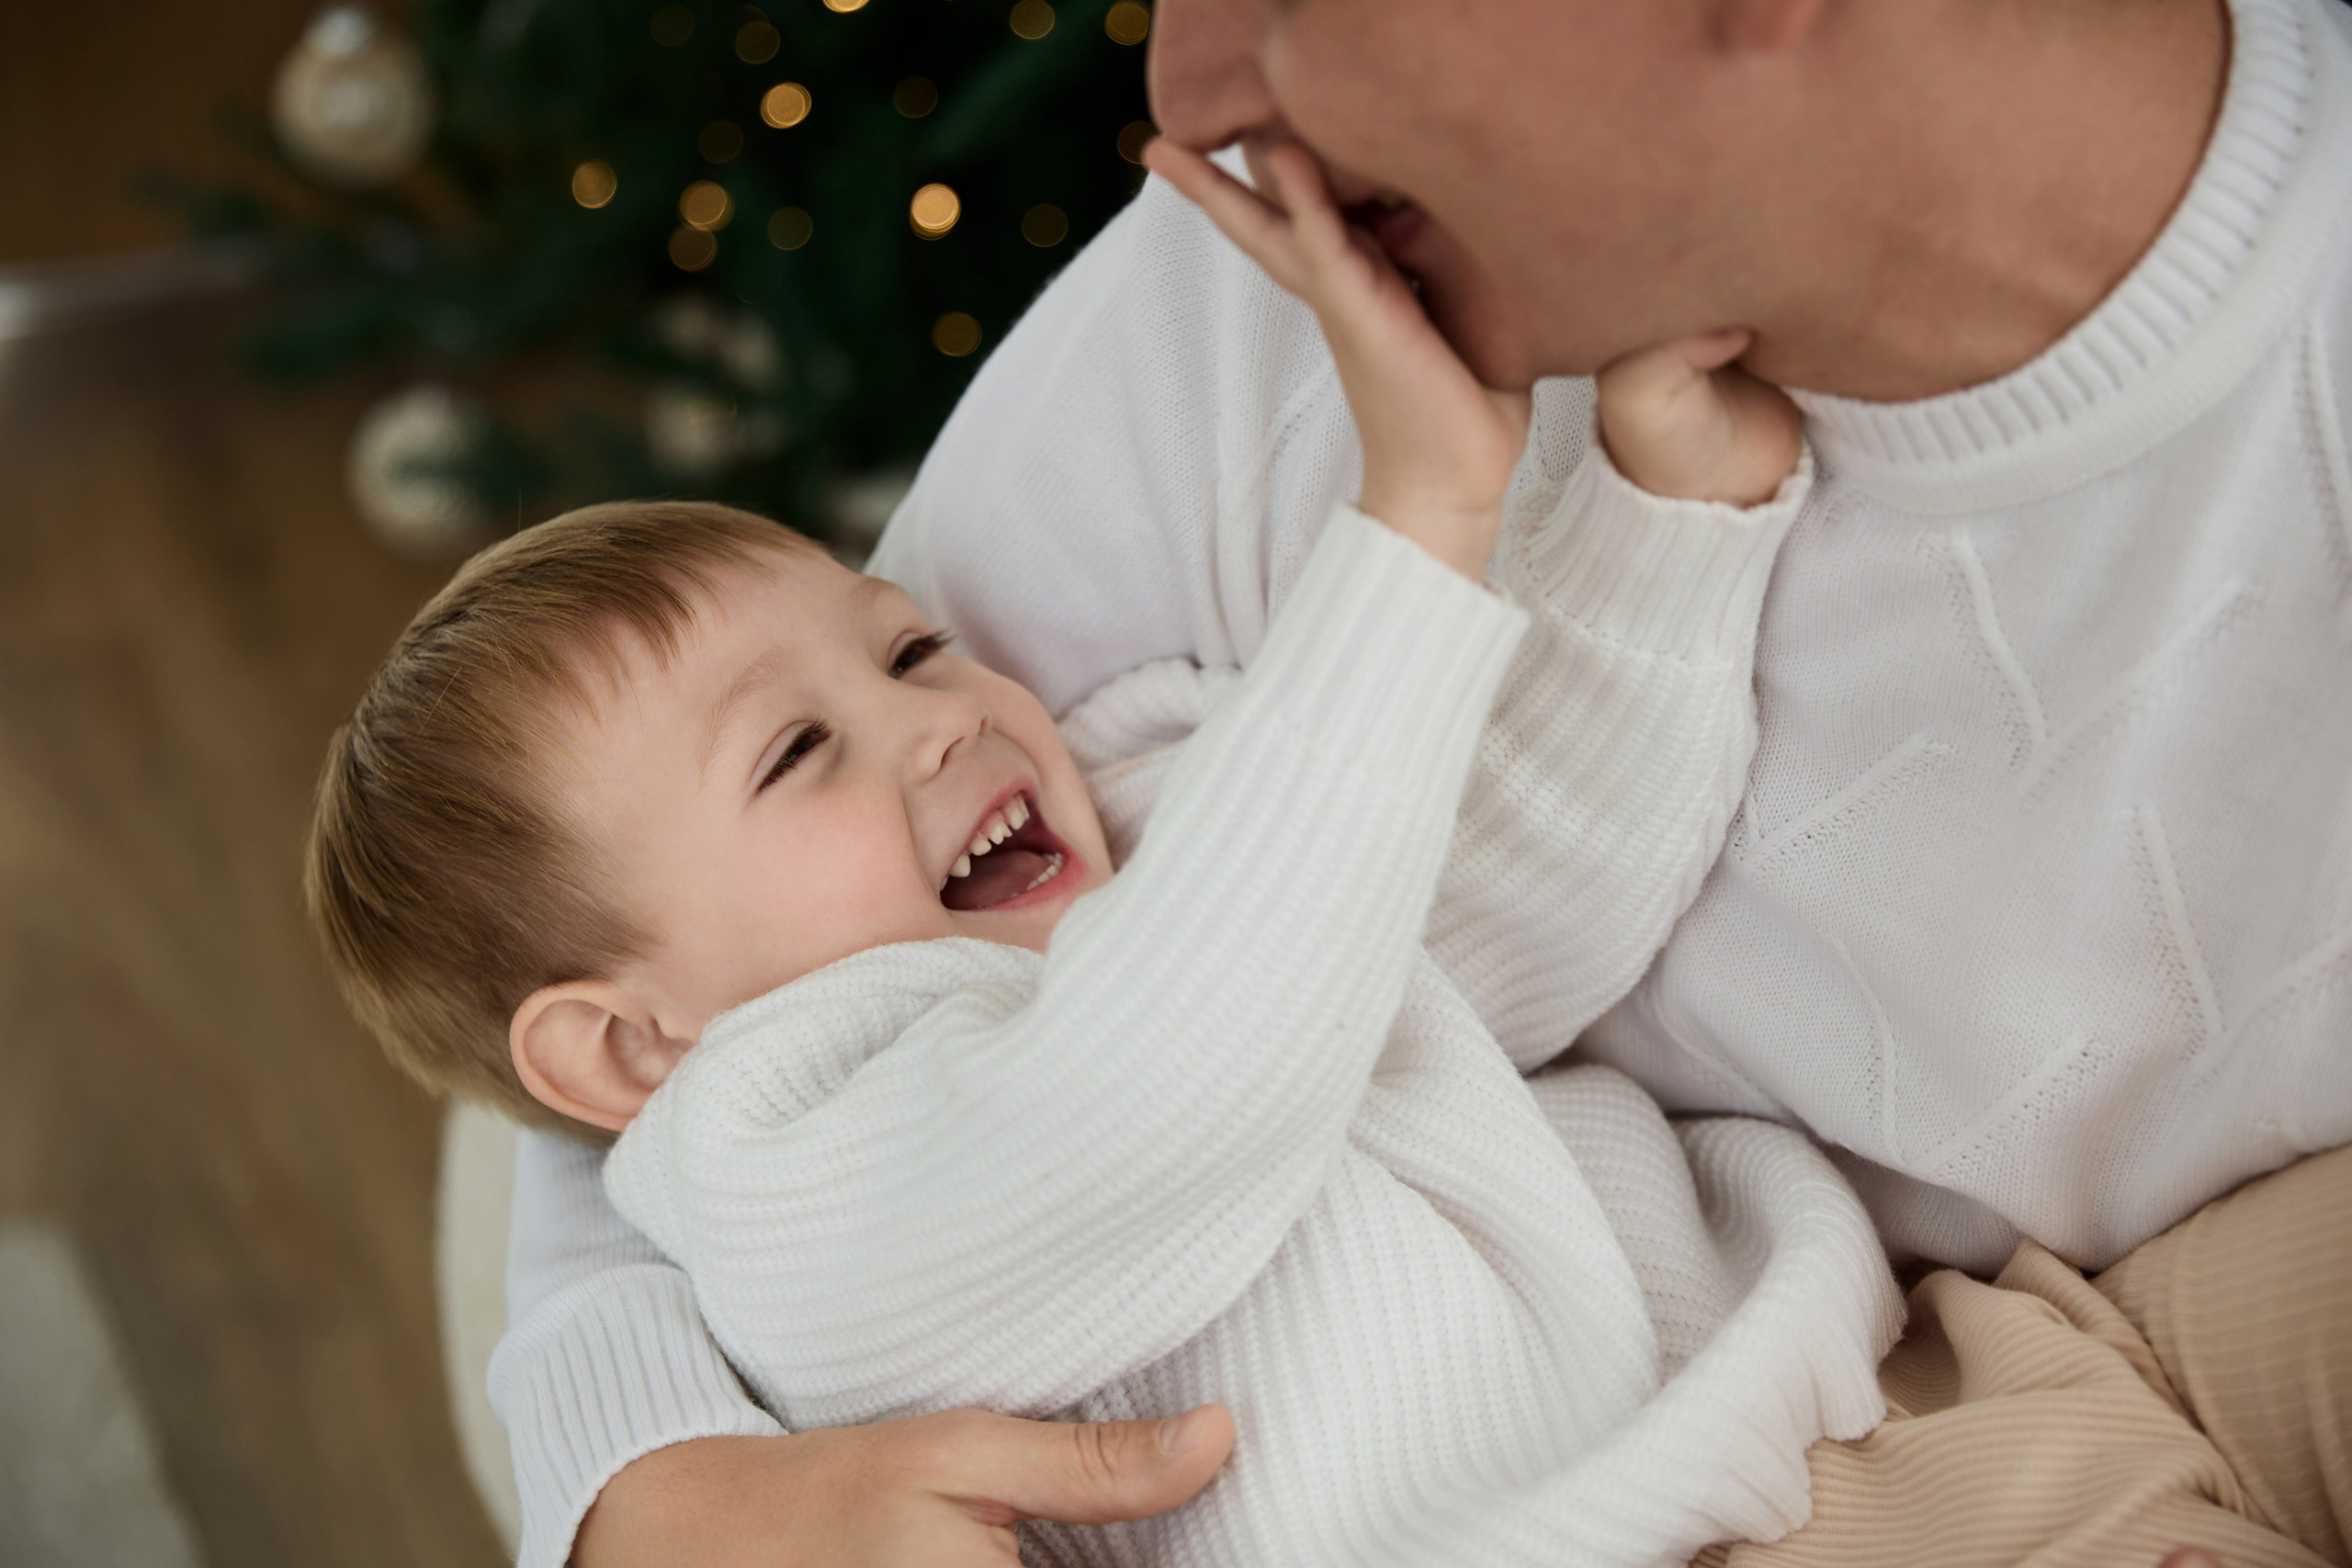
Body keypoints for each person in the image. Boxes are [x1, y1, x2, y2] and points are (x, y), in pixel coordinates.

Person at [489, 0, 2352, 1562]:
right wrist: (648, 1486)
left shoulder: (1142, 823)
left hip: (1929, 1365)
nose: (1188, 89)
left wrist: (1664, 529)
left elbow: (1511, 877)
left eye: (906, 649)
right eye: (810, 740)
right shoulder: (1276, 293)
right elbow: (638, 1073)